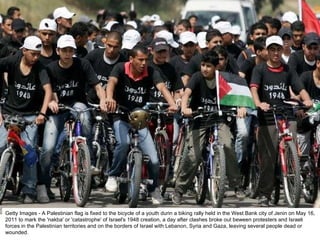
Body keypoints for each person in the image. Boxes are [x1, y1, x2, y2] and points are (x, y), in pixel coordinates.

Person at [105, 44, 177, 204]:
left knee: (154, 160)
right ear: (131, 59)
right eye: (140, 60)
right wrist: (109, 98)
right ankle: (113, 175)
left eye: (146, 59)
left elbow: (162, 87)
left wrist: (172, 103)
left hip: (140, 117)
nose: (144, 63)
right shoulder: (120, 68)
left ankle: (154, 188)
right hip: (121, 115)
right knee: (123, 144)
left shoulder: (151, 71)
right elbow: (111, 83)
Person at [38, 35, 107, 202]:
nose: (68, 53)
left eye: (71, 50)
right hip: (58, 108)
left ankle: (86, 158)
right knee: (47, 148)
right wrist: (53, 102)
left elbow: (97, 86)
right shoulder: (51, 68)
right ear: (58, 51)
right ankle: (43, 185)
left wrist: (103, 99)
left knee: (85, 119)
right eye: (64, 50)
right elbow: (50, 90)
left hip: (77, 104)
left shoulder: (82, 64)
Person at [172, 49, 246, 205]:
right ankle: (179, 189)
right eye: (203, 65)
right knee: (194, 156)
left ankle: (237, 185)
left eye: (208, 66)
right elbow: (186, 93)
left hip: (219, 119)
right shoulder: (197, 77)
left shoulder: (223, 79)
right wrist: (185, 108)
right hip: (199, 119)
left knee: (227, 146)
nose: (205, 69)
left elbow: (236, 95)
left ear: (216, 67)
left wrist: (241, 107)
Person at [250, 35, 312, 207]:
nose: (276, 53)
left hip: (287, 114)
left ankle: (292, 187)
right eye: (272, 49)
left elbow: (300, 88)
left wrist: (306, 100)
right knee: (268, 158)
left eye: (278, 49)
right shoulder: (260, 69)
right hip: (268, 116)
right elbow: (254, 88)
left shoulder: (287, 70)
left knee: (292, 152)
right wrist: (258, 103)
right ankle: (265, 194)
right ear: (267, 51)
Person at [0, 36, 52, 203]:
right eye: (33, 54)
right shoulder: (12, 61)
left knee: (29, 151)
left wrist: (42, 114)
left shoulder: (41, 68)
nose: (36, 57)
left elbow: (48, 91)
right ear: (24, 51)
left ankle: (29, 189)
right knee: (0, 145)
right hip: (8, 113)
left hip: (30, 116)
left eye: (38, 54)